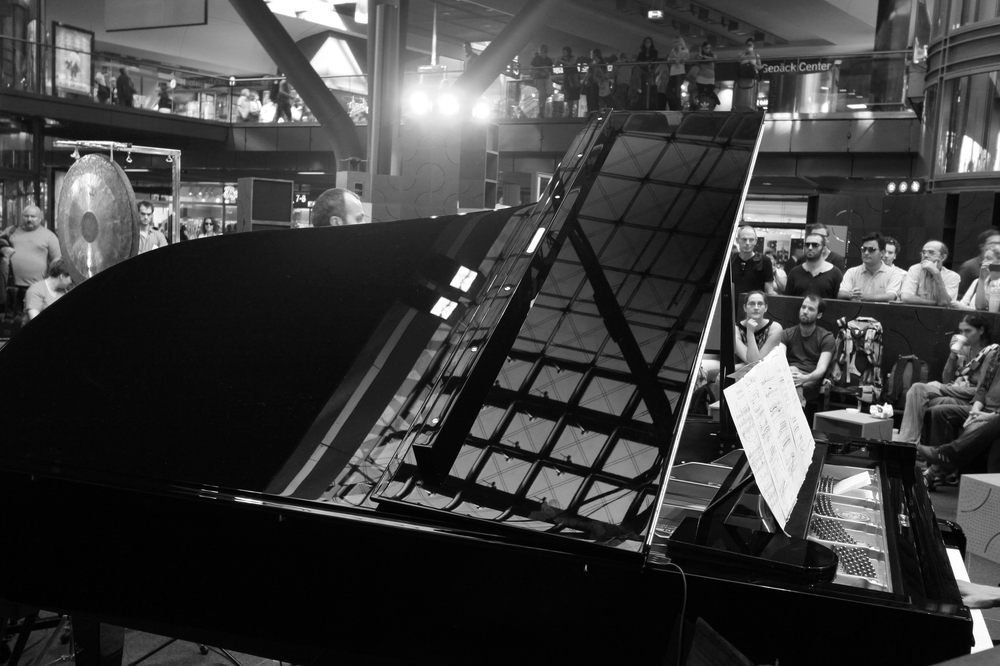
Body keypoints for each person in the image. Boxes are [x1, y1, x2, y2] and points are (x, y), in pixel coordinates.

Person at [894, 314, 996, 444]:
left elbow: (981, 392)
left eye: (968, 331)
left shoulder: (990, 354)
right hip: (957, 393)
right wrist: (953, 354)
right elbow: (947, 379)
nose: (963, 335)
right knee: (917, 390)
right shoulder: (965, 350)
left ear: (981, 330)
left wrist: (942, 387)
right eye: (961, 331)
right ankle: (909, 445)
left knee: (924, 400)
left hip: (974, 402)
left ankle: (909, 445)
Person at [919, 348, 1000, 484]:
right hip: (983, 408)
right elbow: (984, 387)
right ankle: (940, 460)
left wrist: (990, 416)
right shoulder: (997, 352)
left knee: (974, 426)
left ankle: (936, 471)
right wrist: (975, 410)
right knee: (940, 412)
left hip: (995, 415)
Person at [749, 294, 834, 406]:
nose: (805, 311)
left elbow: (821, 369)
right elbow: (780, 359)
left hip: (810, 379)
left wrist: (804, 378)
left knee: (791, 379)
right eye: (803, 307)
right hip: (787, 375)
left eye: (811, 309)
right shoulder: (787, 333)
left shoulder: (826, 337)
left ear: (819, 315)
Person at [6, 205, 61, 291]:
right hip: (10, 287)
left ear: (40, 218)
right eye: (26, 216)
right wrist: (3, 249)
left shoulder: (49, 236)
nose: (29, 219)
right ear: (21, 217)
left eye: (33, 216)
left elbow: (57, 261)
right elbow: (1, 242)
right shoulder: (11, 231)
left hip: (37, 288)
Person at [837, 232, 903, 302]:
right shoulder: (852, 272)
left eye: (871, 249)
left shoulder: (893, 273)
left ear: (882, 253)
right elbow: (841, 294)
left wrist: (863, 297)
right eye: (863, 249)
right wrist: (850, 294)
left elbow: (891, 296)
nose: (866, 253)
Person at [901, 240, 961, 306]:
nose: (925, 255)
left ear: (943, 257)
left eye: (931, 252)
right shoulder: (915, 269)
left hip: (941, 315)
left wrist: (936, 274)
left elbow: (945, 302)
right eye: (923, 252)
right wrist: (934, 303)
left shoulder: (953, 276)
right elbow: (905, 297)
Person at [784, 232, 843, 299]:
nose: (810, 248)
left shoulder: (835, 273)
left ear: (823, 249)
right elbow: (787, 302)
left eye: (815, 245)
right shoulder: (794, 273)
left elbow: (839, 304)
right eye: (807, 244)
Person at [731, 225, 775, 298]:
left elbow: (769, 289)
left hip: (755, 306)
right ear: (737, 240)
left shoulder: (764, 261)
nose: (748, 243)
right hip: (731, 305)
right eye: (744, 239)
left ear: (755, 241)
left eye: (751, 240)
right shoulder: (731, 260)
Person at [956, 245, 1000, 309]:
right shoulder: (977, 281)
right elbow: (963, 304)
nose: (983, 262)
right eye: (984, 258)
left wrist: (966, 308)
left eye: (989, 258)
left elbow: (983, 309)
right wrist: (981, 279)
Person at [958, 227, 1000, 294]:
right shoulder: (969, 267)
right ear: (982, 246)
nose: (997, 246)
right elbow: (959, 294)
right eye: (993, 243)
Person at [733, 38, 762, 112]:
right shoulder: (741, 54)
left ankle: (753, 106)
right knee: (742, 91)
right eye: (747, 45)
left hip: (753, 75)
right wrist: (744, 53)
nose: (749, 46)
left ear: (753, 46)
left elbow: (759, 67)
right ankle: (740, 106)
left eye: (750, 45)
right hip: (743, 76)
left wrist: (756, 65)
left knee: (753, 91)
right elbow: (738, 62)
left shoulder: (756, 55)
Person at [664, 37, 689, 111]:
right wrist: (674, 58)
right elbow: (669, 59)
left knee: (677, 92)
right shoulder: (673, 50)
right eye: (674, 42)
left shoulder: (685, 50)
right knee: (668, 92)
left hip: (680, 72)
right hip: (672, 72)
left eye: (677, 41)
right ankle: (674, 108)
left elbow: (678, 60)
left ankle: (678, 109)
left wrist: (679, 50)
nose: (676, 43)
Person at [693, 42, 719, 110]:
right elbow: (697, 58)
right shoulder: (699, 55)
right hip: (701, 77)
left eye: (709, 48)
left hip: (710, 78)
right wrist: (700, 53)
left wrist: (704, 57)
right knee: (700, 94)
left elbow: (714, 59)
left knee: (710, 93)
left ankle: (711, 107)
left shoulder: (712, 55)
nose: (707, 49)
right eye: (706, 48)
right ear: (703, 48)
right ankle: (700, 108)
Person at [530, 45, 553, 118]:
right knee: (542, 93)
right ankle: (541, 111)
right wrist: (541, 72)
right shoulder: (539, 59)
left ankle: (541, 110)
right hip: (539, 78)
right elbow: (531, 69)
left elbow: (531, 69)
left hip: (545, 78)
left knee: (544, 93)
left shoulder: (544, 59)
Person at [635, 37, 657, 110]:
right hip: (644, 72)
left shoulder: (654, 52)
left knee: (651, 89)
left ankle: (650, 106)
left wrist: (646, 63)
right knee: (644, 89)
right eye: (646, 42)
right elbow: (638, 62)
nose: (647, 44)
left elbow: (654, 61)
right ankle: (643, 106)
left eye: (649, 42)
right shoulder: (641, 53)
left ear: (651, 43)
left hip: (651, 73)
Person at [559, 47, 581, 118]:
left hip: (573, 78)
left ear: (568, 52)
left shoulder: (572, 58)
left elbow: (571, 64)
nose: (562, 53)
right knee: (568, 95)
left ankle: (571, 112)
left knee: (572, 95)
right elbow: (556, 65)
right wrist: (558, 61)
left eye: (564, 51)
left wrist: (562, 62)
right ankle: (569, 112)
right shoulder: (561, 59)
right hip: (566, 78)